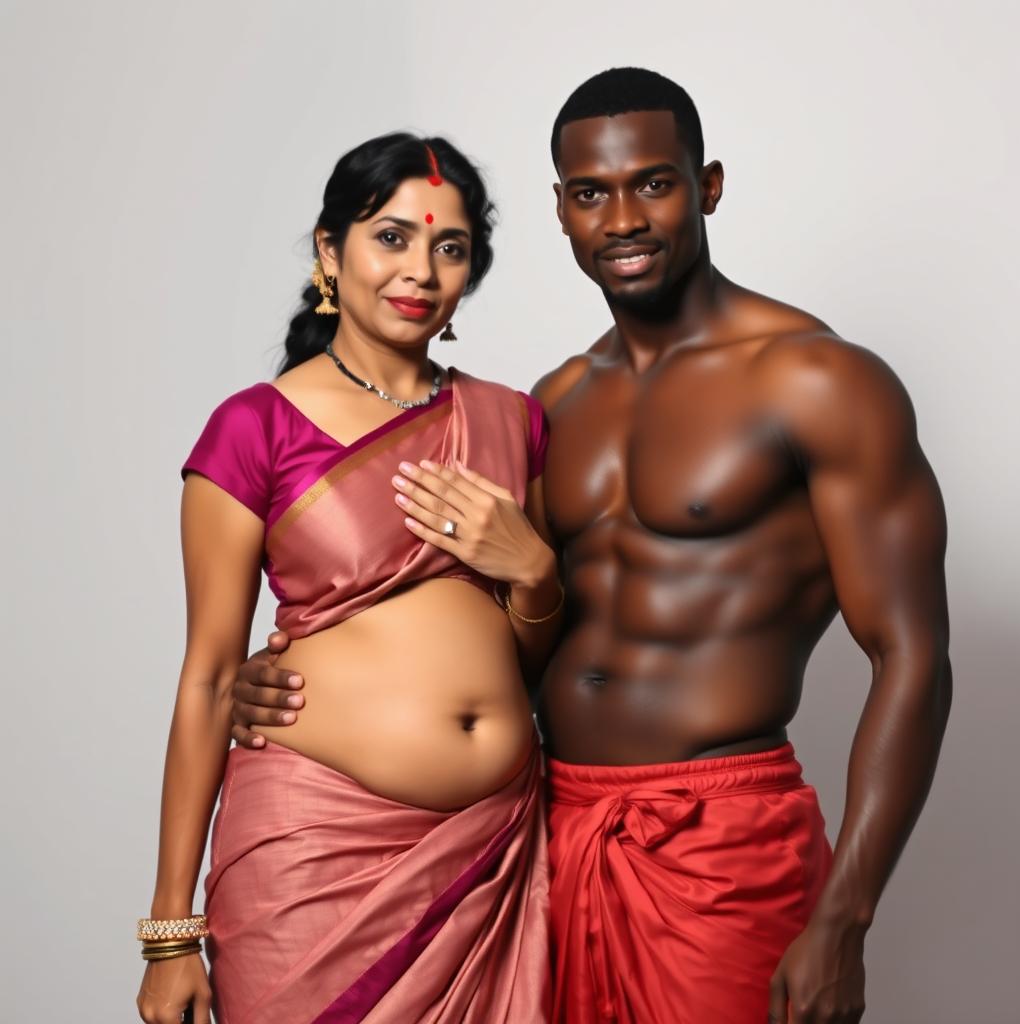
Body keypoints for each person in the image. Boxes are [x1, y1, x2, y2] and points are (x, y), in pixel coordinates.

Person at [232, 68, 952, 1024]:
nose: (623, 218)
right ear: (560, 211)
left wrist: (844, 919)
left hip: (718, 836)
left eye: (653, 183)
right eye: (590, 193)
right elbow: (479, 624)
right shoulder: (553, 404)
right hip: (540, 839)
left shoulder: (816, 380)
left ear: (709, 187)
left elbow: (913, 654)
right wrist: (294, 677)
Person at [135, 133, 563, 1024]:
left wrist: (534, 573)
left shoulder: (510, 421)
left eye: (450, 248)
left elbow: (532, 659)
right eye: (392, 237)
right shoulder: (256, 428)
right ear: (332, 252)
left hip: (491, 859)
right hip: (314, 856)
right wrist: (171, 932)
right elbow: (212, 679)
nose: (420, 270)